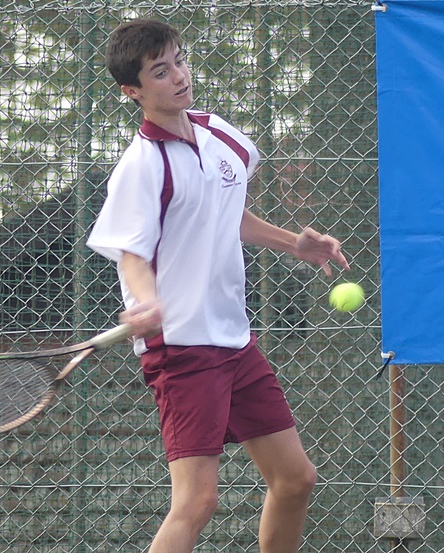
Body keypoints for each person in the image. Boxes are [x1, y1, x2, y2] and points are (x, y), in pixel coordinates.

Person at [86, 18, 349, 553]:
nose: (179, 76)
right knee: (197, 502)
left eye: (179, 60)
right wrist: (147, 298)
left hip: (233, 340)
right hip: (181, 346)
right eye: (160, 72)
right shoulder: (141, 166)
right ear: (132, 91)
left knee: (296, 479)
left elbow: (226, 212)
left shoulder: (221, 135)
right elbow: (132, 252)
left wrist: (293, 244)